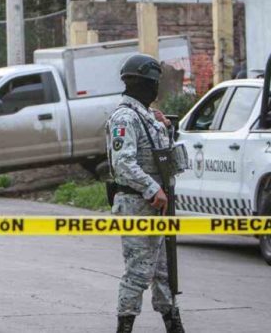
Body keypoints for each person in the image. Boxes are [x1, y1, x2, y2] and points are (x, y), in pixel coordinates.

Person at [106, 54, 184, 333]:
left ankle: (173, 324)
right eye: (153, 84)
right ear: (140, 84)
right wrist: (153, 189)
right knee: (139, 272)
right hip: (137, 203)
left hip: (157, 204)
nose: (156, 89)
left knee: (163, 272)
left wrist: (166, 127)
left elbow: (160, 155)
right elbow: (123, 163)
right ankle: (124, 327)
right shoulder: (125, 117)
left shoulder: (146, 116)